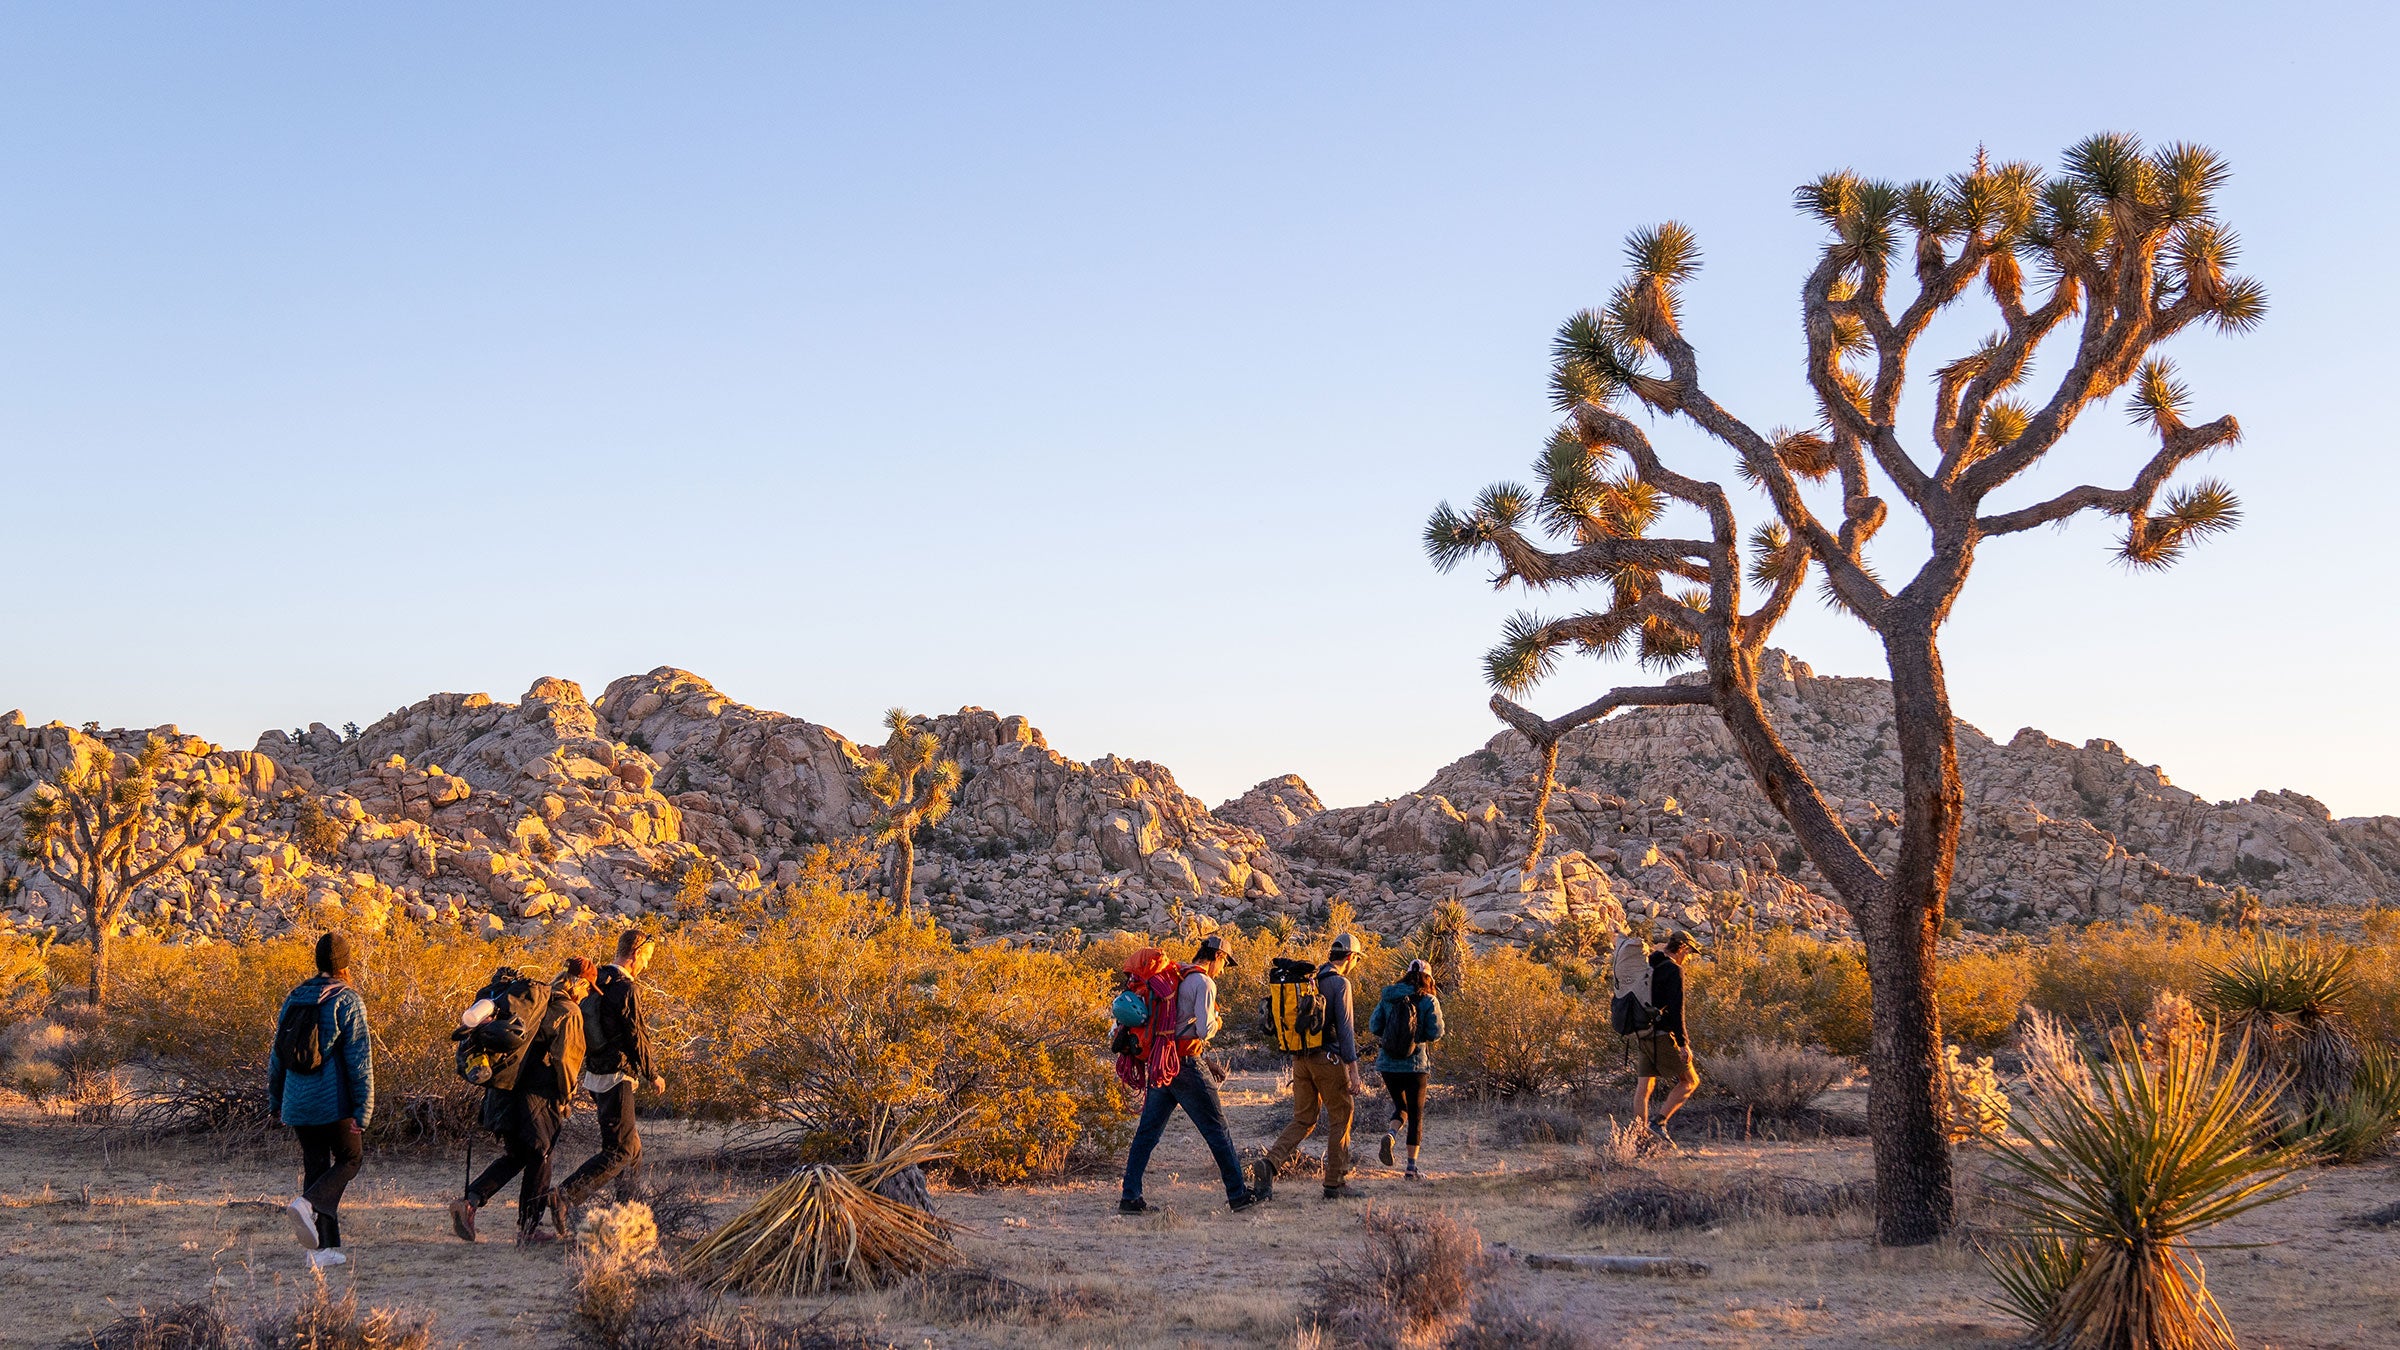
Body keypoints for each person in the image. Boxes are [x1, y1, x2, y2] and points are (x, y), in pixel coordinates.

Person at [1119, 933, 1264, 1214]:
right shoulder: (1204, 982)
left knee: (1147, 1133)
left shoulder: (1177, 973)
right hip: (1186, 1066)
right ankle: (1238, 1194)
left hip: (1162, 1062)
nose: (1223, 971)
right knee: (1217, 1130)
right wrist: (1219, 1022)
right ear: (1217, 957)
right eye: (1224, 964)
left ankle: (1130, 1196)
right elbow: (1203, 1029)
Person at [450, 959, 592, 1245]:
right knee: (541, 1156)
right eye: (589, 989)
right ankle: (529, 1229)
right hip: (538, 1097)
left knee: (516, 1155)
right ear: (580, 985)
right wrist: (567, 1095)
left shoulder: (529, 1005)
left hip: (503, 1093)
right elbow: (566, 1059)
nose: (588, 996)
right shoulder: (568, 1010)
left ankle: (471, 1202)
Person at [268, 932, 375, 1270]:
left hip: (298, 1102)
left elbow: (276, 1056)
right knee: (350, 1159)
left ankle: (321, 1251)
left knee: (316, 1167)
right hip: (334, 1103)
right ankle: (308, 1203)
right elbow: (360, 1061)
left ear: (317, 961)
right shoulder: (347, 999)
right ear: (345, 963)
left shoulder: (295, 997)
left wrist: (276, 1101)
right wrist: (364, 1109)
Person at [556, 929, 663, 1214]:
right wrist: (652, 1073)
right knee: (620, 1151)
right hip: (617, 1075)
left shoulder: (596, 979)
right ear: (636, 953)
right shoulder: (626, 987)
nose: (647, 965)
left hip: (595, 1073)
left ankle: (628, 1210)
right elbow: (636, 1035)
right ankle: (565, 1196)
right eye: (647, 958)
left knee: (633, 1149)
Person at [1256, 932, 1366, 1200]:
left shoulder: (1311, 980)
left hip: (1300, 1059)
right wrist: (1353, 1070)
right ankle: (1335, 1183)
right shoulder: (1340, 984)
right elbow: (1345, 1030)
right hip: (1327, 1061)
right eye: (1357, 960)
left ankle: (1270, 1164)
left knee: (1304, 1118)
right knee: (1341, 1115)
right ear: (1350, 957)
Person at [1368, 958, 1444, 1179]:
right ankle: (1411, 1169)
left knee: (1401, 1106)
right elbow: (1436, 1033)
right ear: (1428, 978)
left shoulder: (1388, 997)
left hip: (1388, 1064)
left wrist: (1394, 1036)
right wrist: (1416, 1036)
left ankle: (1391, 1134)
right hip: (1416, 1064)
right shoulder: (1428, 1000)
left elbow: (1374, 1026)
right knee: (1416, 1115)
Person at [1636, 931, 1701, 1143]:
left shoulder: (1649, 963)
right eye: (1689, 952)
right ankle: (1659, 1123)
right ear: (1681, 947)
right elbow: (1676, 1010)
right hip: (1663, 1034)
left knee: (1645, 1087)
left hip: (1642, 1031)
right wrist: (1683, 1044)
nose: (1689, 957)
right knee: (1690, 1081)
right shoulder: (1674, 970)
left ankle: (1640, 1137)